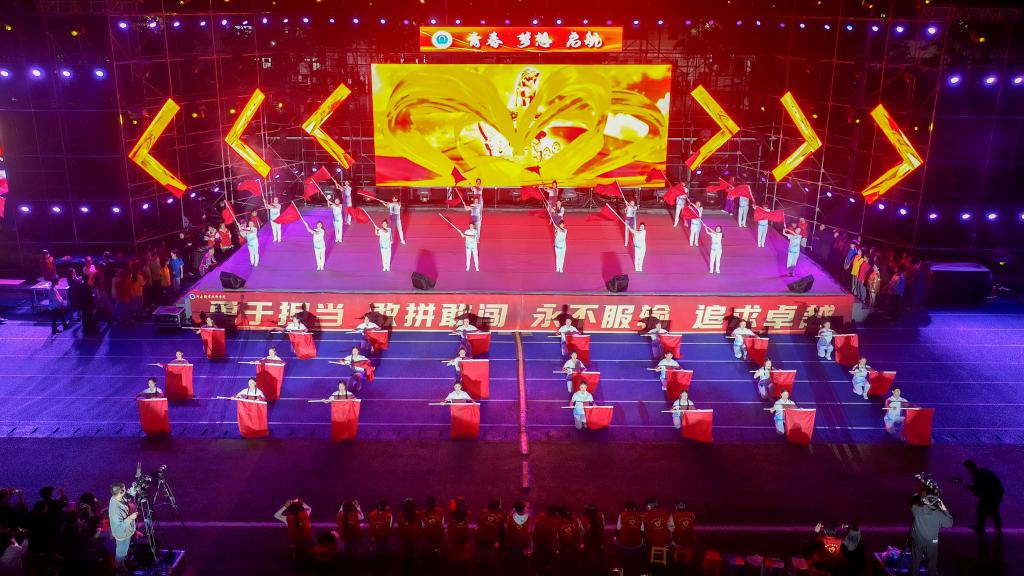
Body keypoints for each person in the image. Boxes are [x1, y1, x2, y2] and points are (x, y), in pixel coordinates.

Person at [909, 488, 953, 576]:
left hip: (917, 540)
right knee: (931, 565)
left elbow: (913, 498)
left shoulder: (916, 509)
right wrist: (944, 509)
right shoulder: (939, 514)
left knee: (915, 563)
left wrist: (922, 492)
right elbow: (950, 523)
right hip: (932, 542)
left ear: (925, 500)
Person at [961, 459, 1004, 534]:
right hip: (995, 492)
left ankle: (983, 527)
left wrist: (969, 487)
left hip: (993, 493)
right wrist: (971, 487)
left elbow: (980, 489)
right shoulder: (981, 472)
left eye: (967, 468)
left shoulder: (978, 475)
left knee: (988, 510)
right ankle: (986, 528)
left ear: (969, 467)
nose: (967, 471)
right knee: (988, 509)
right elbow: (981, 488)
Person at [108, 482, 138, 572]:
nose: (125, 491)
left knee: (123, 552)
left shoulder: (116, 497)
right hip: (122, 534)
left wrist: (133, 490)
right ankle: (118, 569)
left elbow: (124, 498)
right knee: (121, 553)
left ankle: (122, 566)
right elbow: (120, 526)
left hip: (125, 532)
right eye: (124, 490)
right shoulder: (115, 510)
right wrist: (131, 518)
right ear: (121, 492)